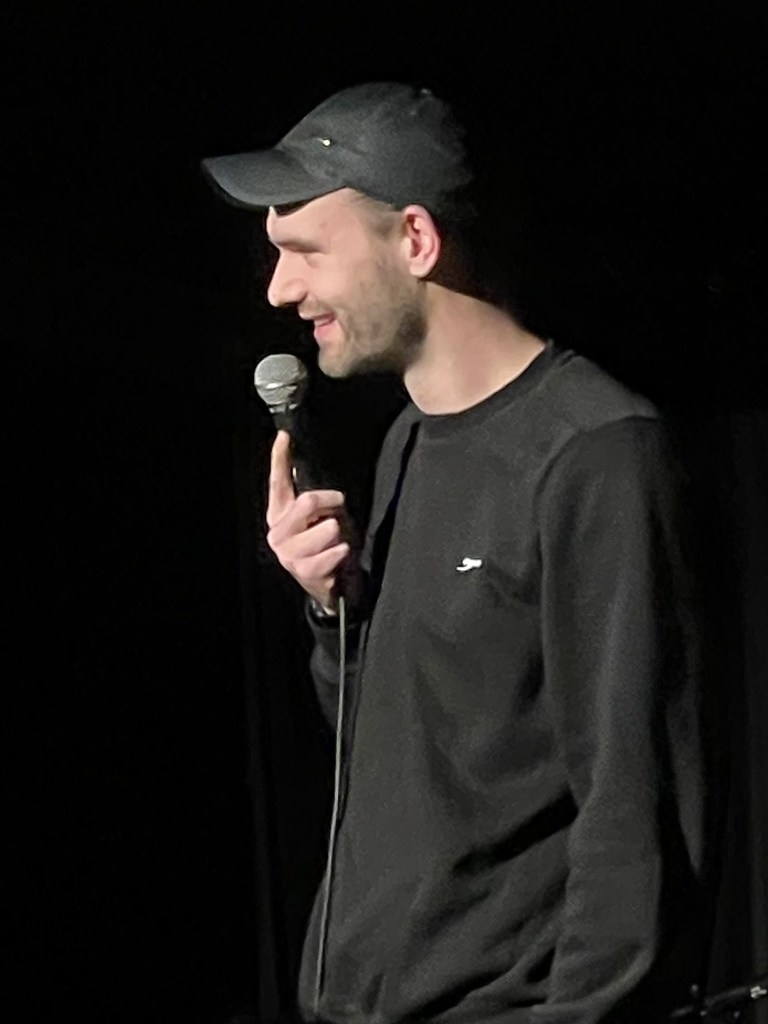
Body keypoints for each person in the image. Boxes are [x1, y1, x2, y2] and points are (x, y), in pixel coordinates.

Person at [203, 82, 708, 1024]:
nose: (279, 289)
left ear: (417, 240)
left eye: (305, 251)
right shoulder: (409, 441)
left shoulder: (594, 452)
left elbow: (633, 805)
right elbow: (408, 754)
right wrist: (333, 610)